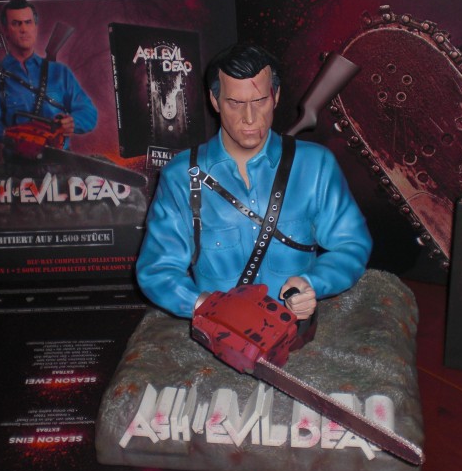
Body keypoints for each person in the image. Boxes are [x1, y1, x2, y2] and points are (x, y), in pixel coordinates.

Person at [136, 43, 372, 320]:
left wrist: (313, 283)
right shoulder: (181, 176)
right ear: (215, 101)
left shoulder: (316, 165)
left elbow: (351, 244)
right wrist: (203, 306)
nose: (249, 118)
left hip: (297, 331)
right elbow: (157, 269)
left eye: (259, 101)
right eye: (235, 103)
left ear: (276, 96)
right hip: (221, 332)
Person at [0, 0, 97, 147]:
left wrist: (72, 122)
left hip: (60, 158)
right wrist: (13, 135)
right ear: (5, 30)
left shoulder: (60, 72)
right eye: (16, 23)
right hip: (18, 158)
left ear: (35, 27)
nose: (24, 29)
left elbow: (88, 112)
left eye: (28, 22)